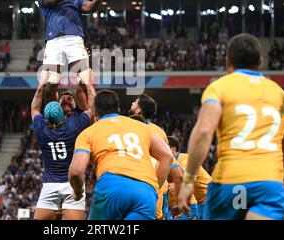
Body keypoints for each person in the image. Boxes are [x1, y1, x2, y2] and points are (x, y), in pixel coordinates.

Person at [178, 33, 284, 220]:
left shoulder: (220, 87)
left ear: (228, 63)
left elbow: (203, 132)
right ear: (260, 62)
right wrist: (275, 176)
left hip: (231, 181)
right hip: (269, 183)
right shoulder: (282, 96)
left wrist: (188, 181)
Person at [69, 90, 173, 220]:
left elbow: (76, 171)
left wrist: (78, 193)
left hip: (112, 186)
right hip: (145, 192)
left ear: (95, 112)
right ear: (117, 108)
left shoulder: (88, 133)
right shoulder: (140, 126)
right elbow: (167, 157)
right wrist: (154, 186)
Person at [37, 0, 116, 102]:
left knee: (86, 83)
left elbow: (91, 7)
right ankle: (55, 118)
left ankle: (94, 118)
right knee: (50, 86)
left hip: (75, 41)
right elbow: (52, 0)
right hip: (53, 44)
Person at [31, 70, 95, 220]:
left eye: (69, 98)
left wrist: (41, 84)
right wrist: (88, 81)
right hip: (72, 184)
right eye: (63, 98)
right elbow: (92, 108)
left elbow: (34, 108)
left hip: (50, 185)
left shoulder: (42, 128)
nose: (66, 98)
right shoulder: (75, 125)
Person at [129, 94, 183, 220]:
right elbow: (178, 174)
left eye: (135, 102)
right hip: (153, 194)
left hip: (131, 190)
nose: (132, 103)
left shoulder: (125, 128)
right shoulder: (159, 132)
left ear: (138, 110)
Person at [167, 136, 210, 220]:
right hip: (200, 200)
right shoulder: (169, 162)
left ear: (173, 149)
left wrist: (173, 184)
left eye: (165, 146)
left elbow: (185, 175)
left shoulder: (184, 159)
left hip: (209, 196)